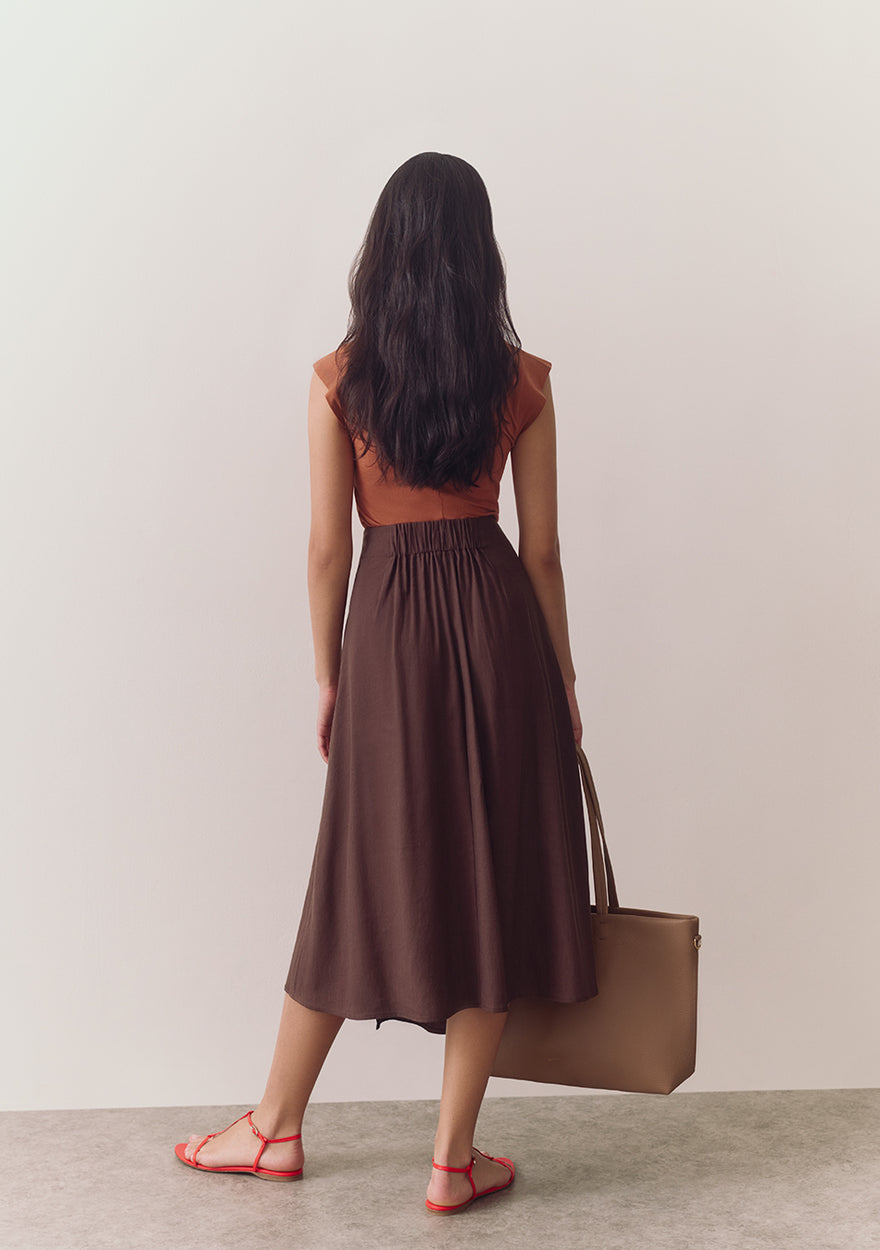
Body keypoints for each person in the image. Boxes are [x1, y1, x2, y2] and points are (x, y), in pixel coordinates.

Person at [175, 152, 598, 1215]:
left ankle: (274, 1127)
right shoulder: (522, 380)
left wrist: (329, 676)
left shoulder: (342, 378)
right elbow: (543, 553)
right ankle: (452, 1160)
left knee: (359, 872)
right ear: (480, 253)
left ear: (386, 250)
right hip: (498, 627)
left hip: (390, 632)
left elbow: (329, 551)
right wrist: (562, 677)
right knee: (493, 875)